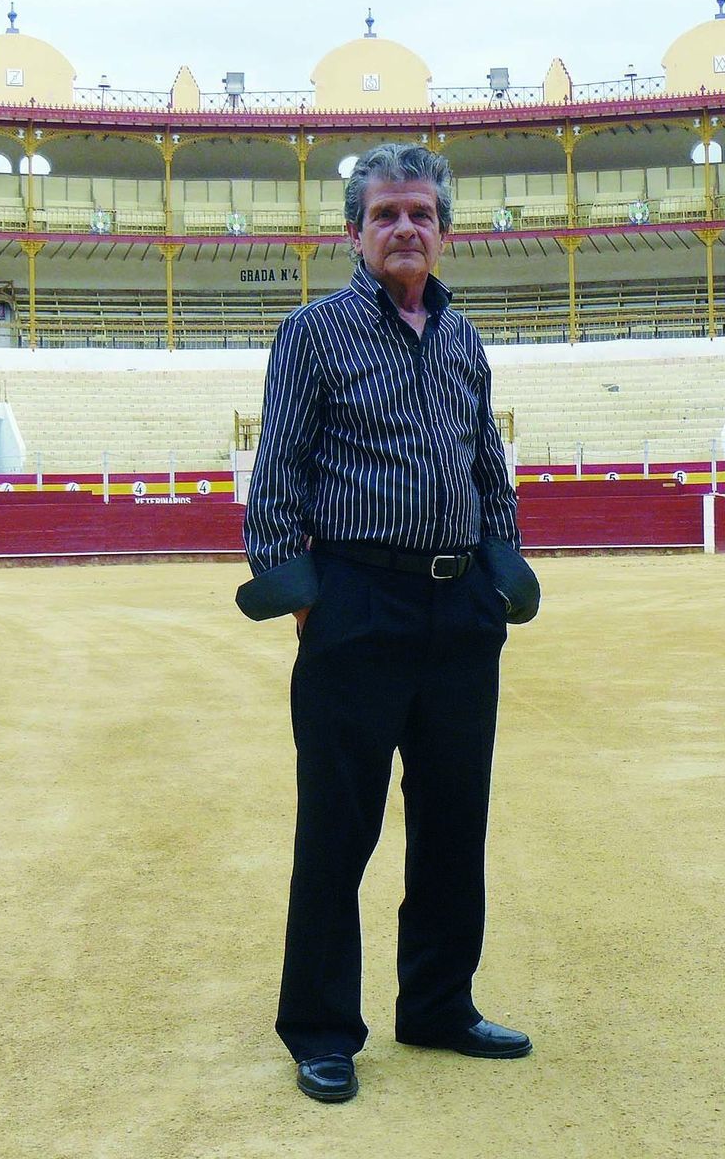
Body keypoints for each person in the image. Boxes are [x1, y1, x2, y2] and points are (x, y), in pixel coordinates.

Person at [235, 142, 540, 1104]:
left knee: (454, 820)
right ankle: (322, 1027)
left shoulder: (464, 338)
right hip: (357, 602)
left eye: (420, 214)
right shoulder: (313, 333)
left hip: (459, 609)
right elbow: (278, 473)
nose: (404, 229)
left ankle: (439, 1005)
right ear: (354, 232)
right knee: (339, 827)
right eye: (385, 214)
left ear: (444, 233)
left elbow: (487, 466)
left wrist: (500, 571)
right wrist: (306, 596)